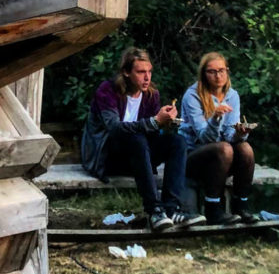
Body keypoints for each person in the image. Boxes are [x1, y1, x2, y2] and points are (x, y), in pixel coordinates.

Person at [81, 47, 205, 231]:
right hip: (107, 159)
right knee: (136, 138)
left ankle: (172, 209)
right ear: (126, 72)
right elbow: (114, 129)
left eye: (149, 71)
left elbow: (152, 135)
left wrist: (166, 123)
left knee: (177, 141)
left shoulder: (151, 95)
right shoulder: (108, 90)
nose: (147, 77)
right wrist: (155, 122)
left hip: (138, 157)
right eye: (140, 72)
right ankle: (154, 210)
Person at [180, 52, 257, 224]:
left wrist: (240, 133)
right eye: (212, 71)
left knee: (245, 149)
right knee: (224, 148)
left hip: (221, 159)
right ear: (204, 74)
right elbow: (204, 138)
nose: (218, 76)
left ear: (227, 71)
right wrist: (215, 118)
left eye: (221, 70)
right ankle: (213, 208)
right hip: (192, 157)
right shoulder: (192, 96)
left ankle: (241, 206)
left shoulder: (232, 95)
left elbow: (229, 135)